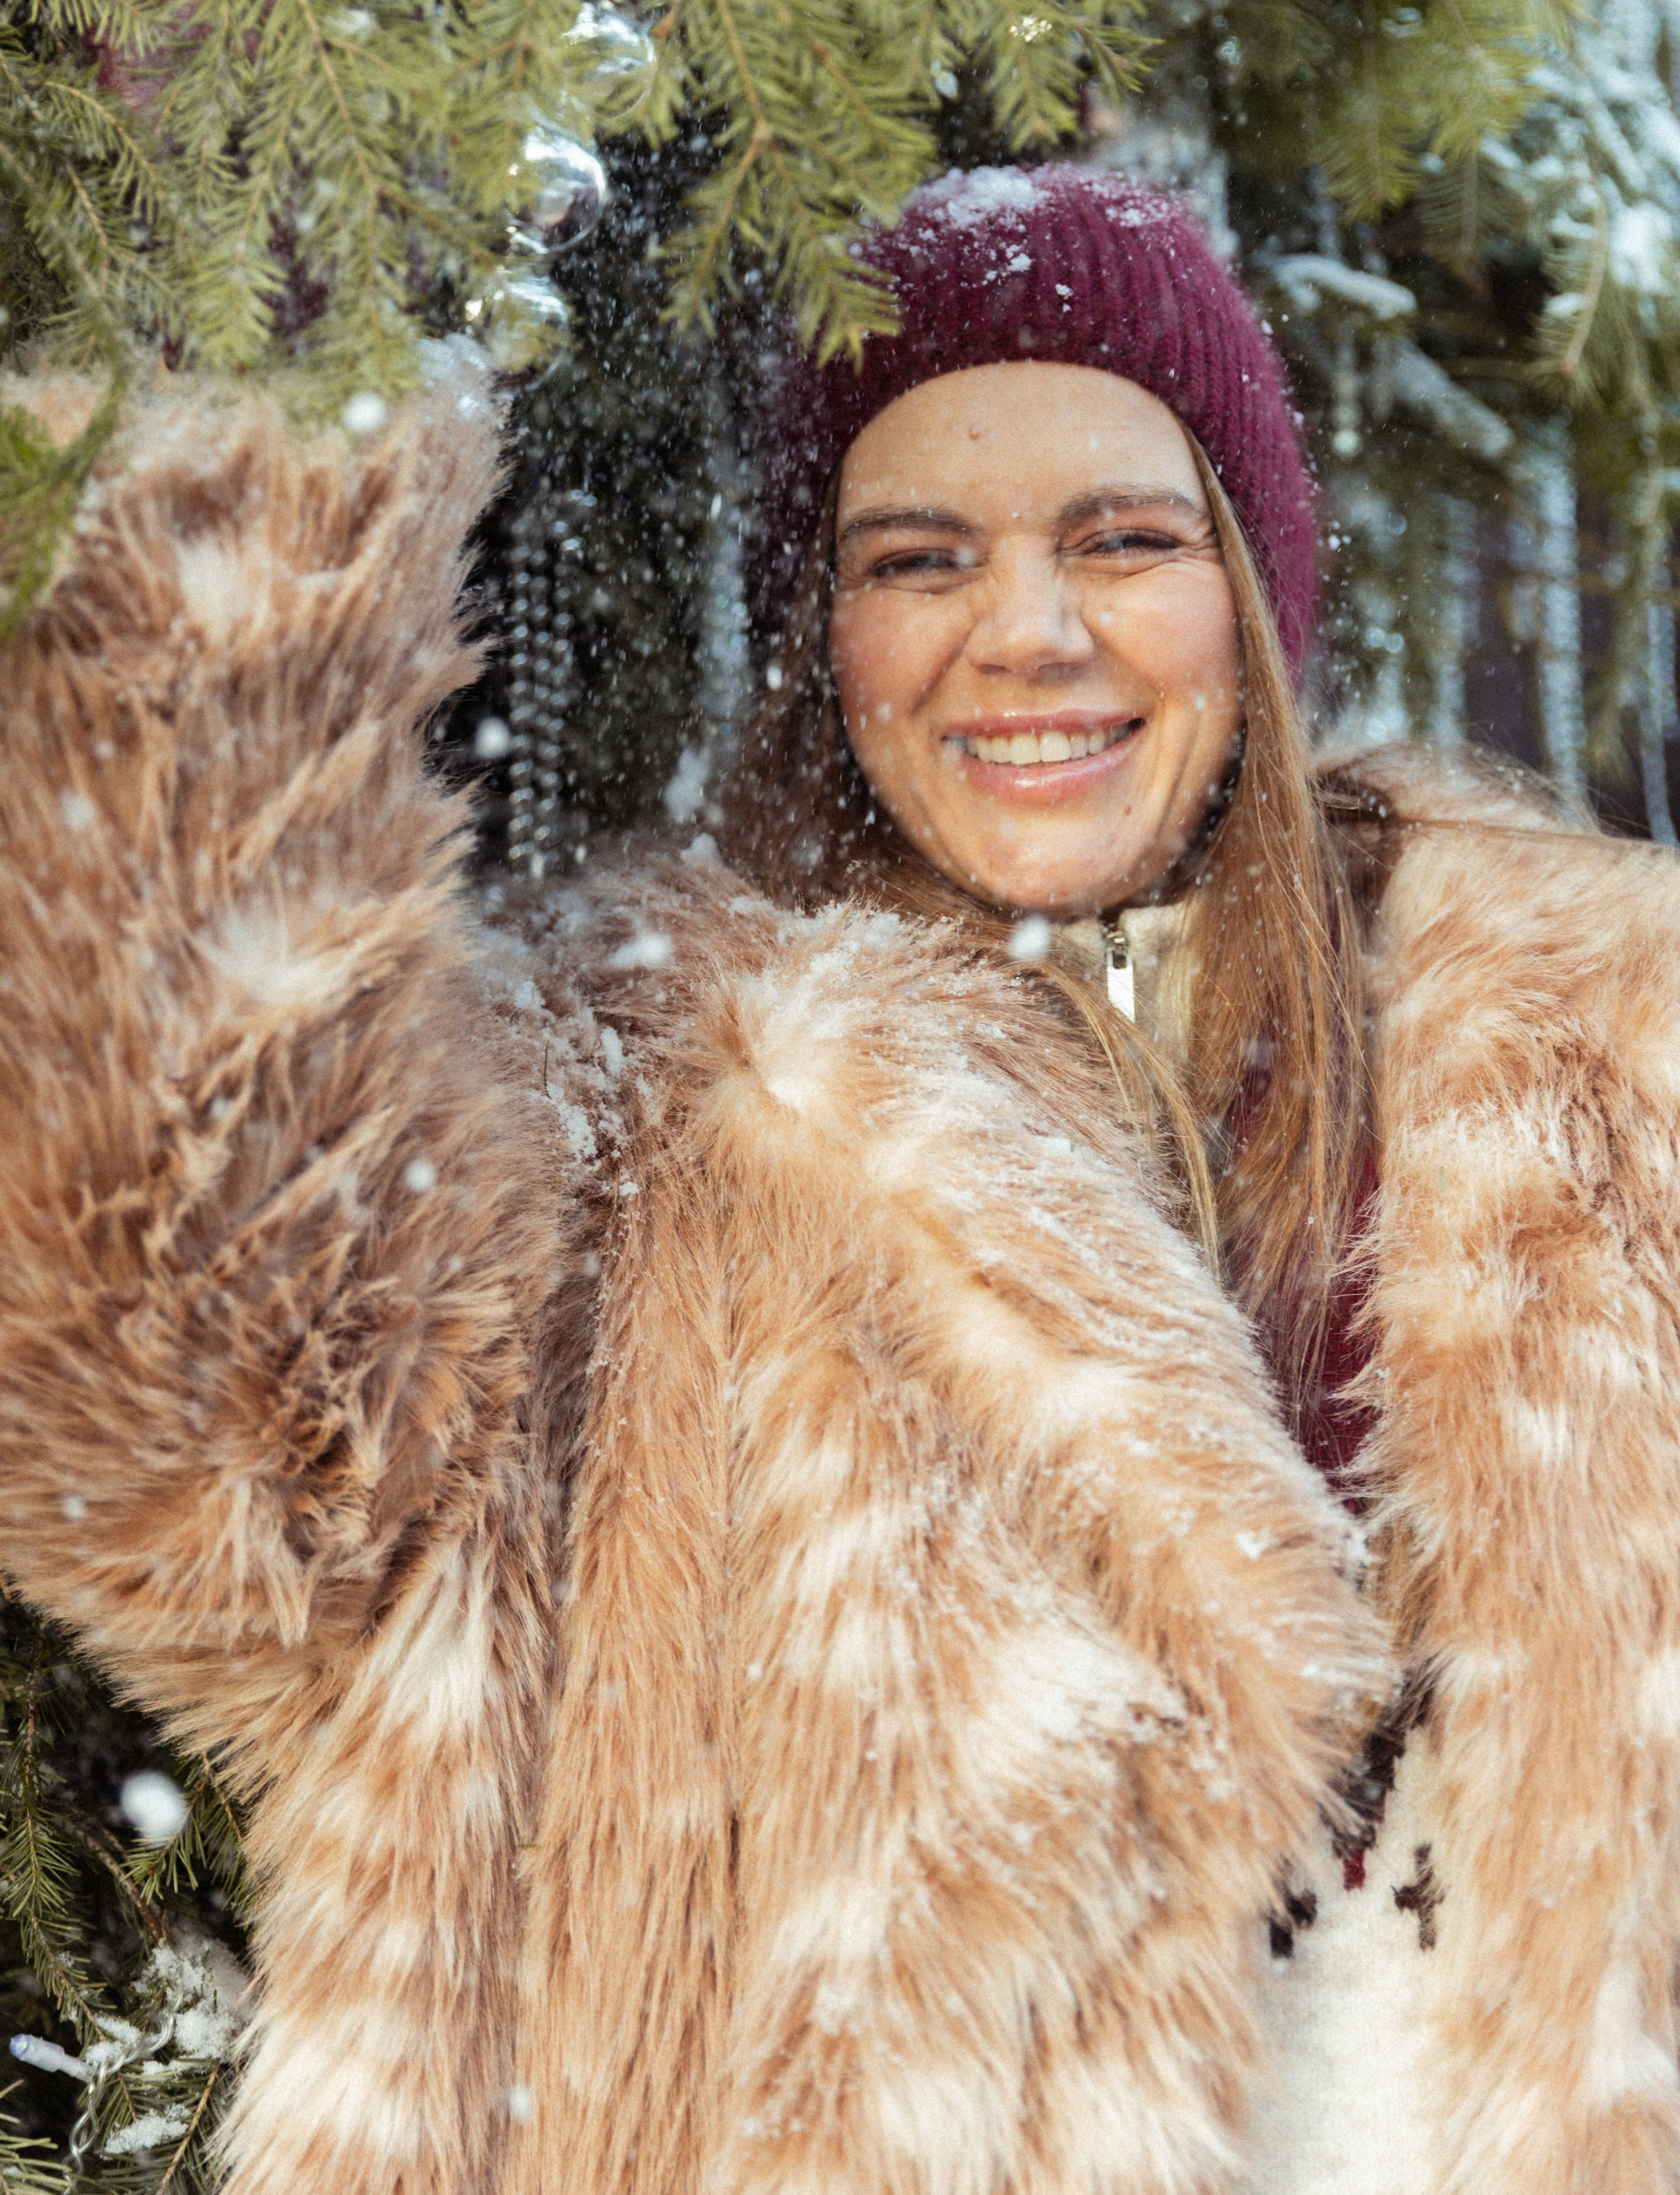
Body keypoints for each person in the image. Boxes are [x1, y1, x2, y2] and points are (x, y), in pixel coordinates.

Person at [1, 163, 1677, 2195]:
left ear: (1247, 587)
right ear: (833, 632)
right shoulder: (630, 1130)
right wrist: (253, 397)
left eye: (1124, 538)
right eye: (920, 557)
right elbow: (177, 1406)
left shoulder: (1619, 1081)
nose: (1030, 635)